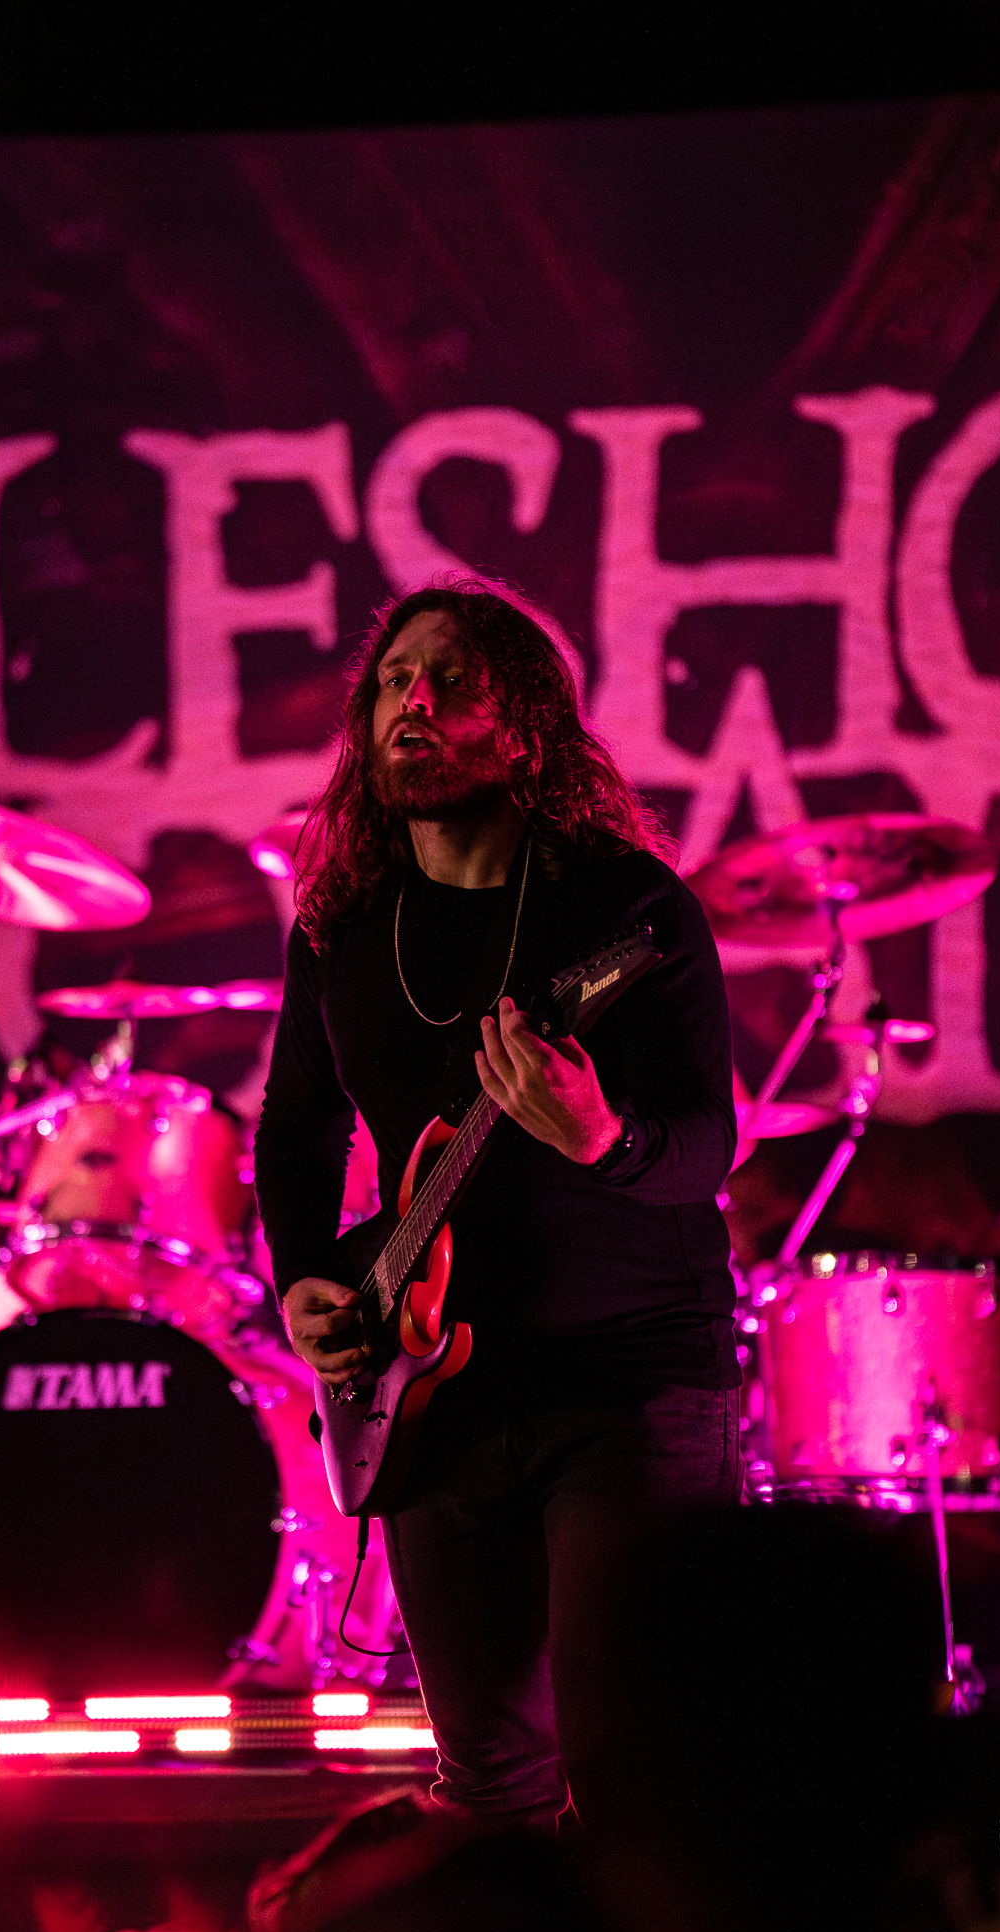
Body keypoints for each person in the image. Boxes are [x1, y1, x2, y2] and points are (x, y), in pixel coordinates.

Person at [253, 578, 739, 1830]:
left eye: (452, 677)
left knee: (636, 1761)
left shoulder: (629, 912)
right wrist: (303, 1276)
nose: (413, 698)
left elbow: (707, 1144)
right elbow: (296, 1131)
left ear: (525, 725)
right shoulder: (342, 931)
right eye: (392, 681)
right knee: (486, 1780)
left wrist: (601, 1136)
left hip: (626, 1383)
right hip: (432, 1398)